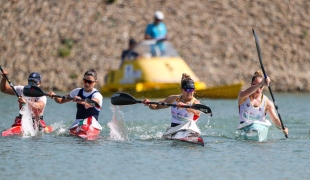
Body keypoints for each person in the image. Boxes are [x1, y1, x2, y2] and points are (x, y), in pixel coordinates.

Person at [48, 69, 103, 140]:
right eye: (85, 81)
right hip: (78, 123)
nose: (86, 84)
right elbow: (61, 100)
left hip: (92, 124)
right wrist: (54, 96)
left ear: (95, 82)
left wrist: (80, 101)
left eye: (89, 82)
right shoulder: (77, 91)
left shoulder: (97, 95)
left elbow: (92, 103)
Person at [238, 71, 288, 137]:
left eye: (261, 87)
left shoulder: (267, 102)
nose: (258, 89)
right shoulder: (243, 96)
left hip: (260, 128)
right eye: (255, 86)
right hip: (245, 127)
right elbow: (242, 94)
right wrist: (260, 84)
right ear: (251, 85)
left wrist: (283, 127)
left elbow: (275, 120)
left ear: (264, 87)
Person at [1, 70, 48, 135]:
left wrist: (26, 102)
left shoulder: (42, 95)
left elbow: (39, 105)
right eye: (30, 82)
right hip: (22, 120)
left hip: (37, 123)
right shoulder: (22, 89)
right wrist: (4, 78)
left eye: (34, 82)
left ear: (39, 83)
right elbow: (4, 89)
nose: (31, 84)